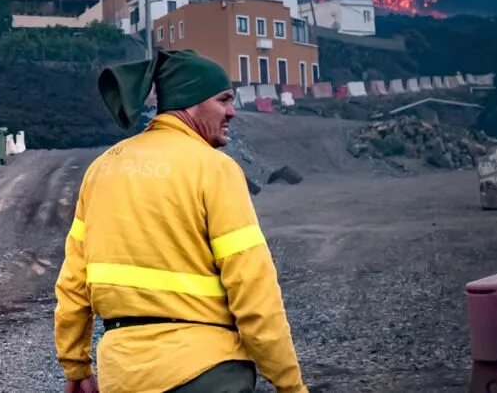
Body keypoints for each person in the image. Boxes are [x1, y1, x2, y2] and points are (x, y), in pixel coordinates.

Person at [54, 49, 308, 393]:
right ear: (191, 102)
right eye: (223, 100)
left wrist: (76, 365)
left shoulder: (102, 169)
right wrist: (290, 384)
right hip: (208, 370)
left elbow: (73, 281)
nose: (232, 112)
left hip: (123, 376)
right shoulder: (214, 168)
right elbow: (253, 288)